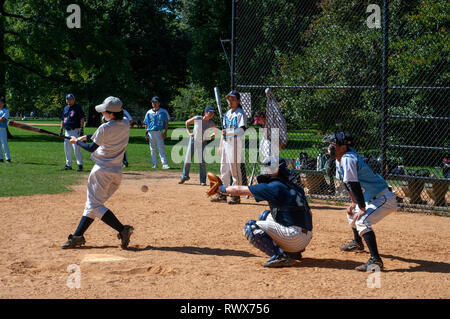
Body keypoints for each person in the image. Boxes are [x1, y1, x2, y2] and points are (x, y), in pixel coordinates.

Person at [61, 96, 134, 249]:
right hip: (116, 171)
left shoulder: (105, 128)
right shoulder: (126, 123)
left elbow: (91, 148)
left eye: (105, 112)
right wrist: (85, 137)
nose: (103, 114)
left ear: (111, 114)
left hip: (102, 172)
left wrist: (77, 142)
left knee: (94, 205)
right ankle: (77, 236)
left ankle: (123, 229)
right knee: (92, 204)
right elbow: (101, 137)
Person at [214, 157, 313, 267]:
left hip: (294, 238)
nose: (265, 171)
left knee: (250, 227)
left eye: (268, 168)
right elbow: (309, 214)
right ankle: (294, 253)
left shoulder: (274, 186)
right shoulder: (295, 187)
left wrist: (220, 189)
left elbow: (240, 190)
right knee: (265, 216)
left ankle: (280, 255)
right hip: (306, 236)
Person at [327, 132, 397, 271]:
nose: (329, 147)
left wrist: (362, 208)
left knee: (362, 220)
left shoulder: (348, 159)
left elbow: (354, 184)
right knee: (352, 213)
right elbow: (347, 183)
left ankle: (376, 260)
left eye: (333, 144)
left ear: (343, 147)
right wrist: (355, 203)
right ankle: (357, 243)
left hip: (383, 198)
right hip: (372, 198)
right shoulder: (339, 159)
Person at [210, 90, 247, 205]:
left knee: (235, 171)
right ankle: (223, 193)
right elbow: (223, 132)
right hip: (226, 144)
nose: (230, 102)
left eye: (233, 99)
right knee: (224, 169)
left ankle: (236, 195)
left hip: (235, 144)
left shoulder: (241, 113)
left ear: (238, 101)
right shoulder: (227, 114)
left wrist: (229, 133)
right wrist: (221, 146)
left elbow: (242, 130)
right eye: (229, 99)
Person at [179, 106, 217, 185]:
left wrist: (211, 136)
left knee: (202, 161)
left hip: (202, 142)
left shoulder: (211, 123)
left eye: (213, 113)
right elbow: (187, 123)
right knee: (187, 159)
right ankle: (185, 176)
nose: (211, 114)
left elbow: (215, 132)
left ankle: (202, 181)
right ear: (205, 112)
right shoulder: (198, 118)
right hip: (193, 141)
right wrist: (189, 133)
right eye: (210, 112)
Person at [60, 94, 85, 171]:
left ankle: (80, 165)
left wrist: (81, 129)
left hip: (75, 130)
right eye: (67, 99)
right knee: (67, 148)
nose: (69, 100)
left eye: (70, 99)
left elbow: (82, 118)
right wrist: (61, 129)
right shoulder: (65, 108)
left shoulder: (77, 107)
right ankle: (68, 165)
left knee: (76, 148)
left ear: (74, 100)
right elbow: (63, 119)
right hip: (67, 130)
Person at [143, 96, 170, 169]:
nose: (154, 103)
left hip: (159, 132)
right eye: (153, 102)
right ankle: (155, 164)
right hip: (151, 132)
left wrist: (165, 132)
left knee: (161, 148)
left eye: (156, 102)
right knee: (152, 149)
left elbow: (166, 122)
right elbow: (146, 123)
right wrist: (146, 133)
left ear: (159, 103)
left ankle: (164, 164)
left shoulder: (163, 111)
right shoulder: (149, 112)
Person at [0, 96, 11, 163]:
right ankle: (0, 158)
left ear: (3, 103)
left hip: (2, 129)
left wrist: (1, 118)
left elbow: (2, 120)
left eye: (0, 102)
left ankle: (8, 158)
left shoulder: (6, 111)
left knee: (4, 144)